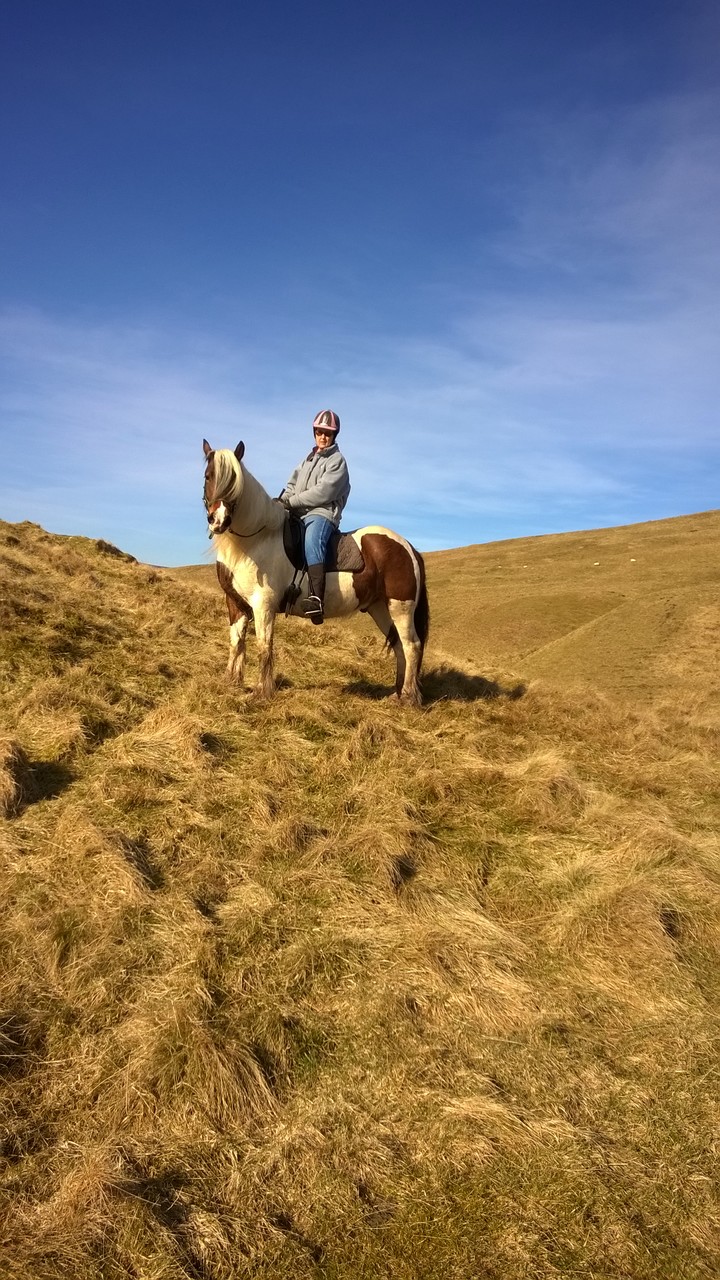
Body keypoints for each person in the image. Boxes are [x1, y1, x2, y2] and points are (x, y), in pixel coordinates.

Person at [278, 409, 350, 624]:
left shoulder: (337, 461)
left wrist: (292, 502)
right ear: (314, 432)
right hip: (298, 513)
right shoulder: (306, 461)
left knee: (312, 540)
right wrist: (281, 502)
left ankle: (316, 598)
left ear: (334, 435)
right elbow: (291, 486)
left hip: (322, 513)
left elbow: (324, 492)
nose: (323, 437)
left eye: (328, 433)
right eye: (319, 432)